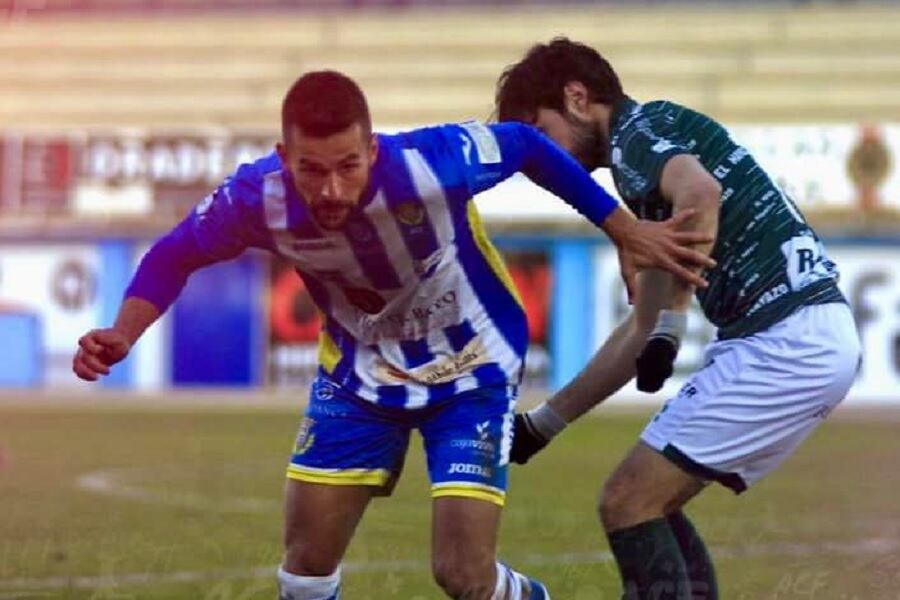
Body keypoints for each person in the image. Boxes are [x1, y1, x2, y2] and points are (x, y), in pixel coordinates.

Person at [72, 70, 714, 600]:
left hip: (473, 366)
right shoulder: (254, 199)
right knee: (303, 575)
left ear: (373, 149)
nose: (331, 188)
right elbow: (173, 255)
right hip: (359, 377)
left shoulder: (430, 163)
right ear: (282, 156)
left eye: (348, 165)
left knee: (462, 575)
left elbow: (524, 143)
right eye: (311, 169)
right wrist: (124, 333)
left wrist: (621, 227)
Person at [495, 38, 862, 600]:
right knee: (650, 504)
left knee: (627, 501)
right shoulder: (648, 153)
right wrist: (543, 424)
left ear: (576, 98)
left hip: (785, 338)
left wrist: (675, 323)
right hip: (797, 334)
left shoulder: (636, 136)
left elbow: (702, 192)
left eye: (542, 137)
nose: (545, 162)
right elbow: (639, 327)